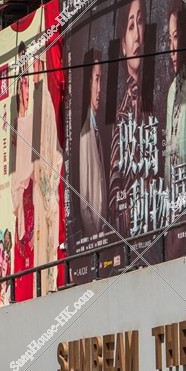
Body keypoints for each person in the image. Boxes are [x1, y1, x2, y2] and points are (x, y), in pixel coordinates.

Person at [109, 0, 148, 238]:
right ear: (123, 44)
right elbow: (115, 195)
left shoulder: (152, 97)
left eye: (140, 22)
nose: (137, 36)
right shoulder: (122, 114)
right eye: (131, 26)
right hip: (136, 233)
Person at [165, 6, 186, 215]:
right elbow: (168, 145)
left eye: (176, 37)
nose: (171, 48)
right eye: (169, 39)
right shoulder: (171, 90)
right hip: (173, 191)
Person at [9, 45, 37, 299]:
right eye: (22, 86)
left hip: (33, 192)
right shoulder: (18, 123)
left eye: (27, 85)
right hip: (23, 195)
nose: (25, 91)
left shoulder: (36, 116)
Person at [76, 50, 109, 239]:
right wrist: (96, 238)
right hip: (96, 237)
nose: (100, 88)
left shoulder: (97, 128)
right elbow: (84, 205)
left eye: (101, 79)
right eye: (96, 80)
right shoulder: (85, 134)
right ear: (89, 83)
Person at [0, 229, 13, 308]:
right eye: (6, 237)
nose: (7, 239)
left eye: (8, 237)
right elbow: (0, 264)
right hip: (4, 278)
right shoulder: (2, 249)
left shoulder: (9, 251)